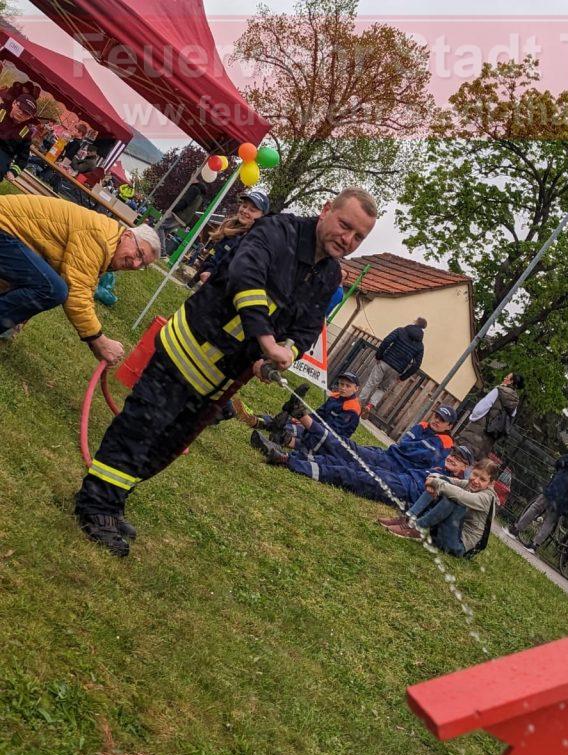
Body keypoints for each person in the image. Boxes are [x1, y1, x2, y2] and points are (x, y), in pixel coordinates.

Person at [73, 186, 378, 556]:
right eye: (345, 225)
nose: (347, 239)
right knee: (140, 430)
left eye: (358, 237)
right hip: (186, 351)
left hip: (220, 379)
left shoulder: (329, 277)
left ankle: (113, 498)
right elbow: (245, 278)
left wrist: (285, 353)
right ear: (326, 209)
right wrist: (267, 340)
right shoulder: (277, 231)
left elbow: (307, 328)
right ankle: (94, 506)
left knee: (166, 446)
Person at [0, 194, 159, 352]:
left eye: (142, 265)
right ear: (127, 235)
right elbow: (77, 292)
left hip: (8, 233)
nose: (135, 264)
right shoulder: (100, 237)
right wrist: (99, 341)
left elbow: (83, 286)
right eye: (139, 254)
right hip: (3, 226)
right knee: (53, 289)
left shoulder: (110, 240)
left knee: (47, 281)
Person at [257, 407, 458, 506]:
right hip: (388, 458)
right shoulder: (423, 426)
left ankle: (291, 444)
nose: (436, 420)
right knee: (343, 453)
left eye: (442, 420)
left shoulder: (444, 446)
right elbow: (404, 447)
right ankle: (286, 442)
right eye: (436, 416)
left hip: (394, 469)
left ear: (449, 426)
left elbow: (407, 452)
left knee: (347, 460)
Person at [506, 436, 568, 552]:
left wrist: (561, 467)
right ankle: (534, 545)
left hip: (559, 488)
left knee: (536, 507)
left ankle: (515, 530)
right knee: (551, 519)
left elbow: (562, 461)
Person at [385, 457, 499, 558]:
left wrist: (435, 482)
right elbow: (447, 479)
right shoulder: (469, 484)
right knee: (444, 485)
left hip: (458, 546)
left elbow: (461, 496)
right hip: (445, 533)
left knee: (454, 498)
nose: (476, 480)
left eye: (482, 479)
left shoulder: (487, 498)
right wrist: (434, 478)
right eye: (475, 474)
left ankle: (418, 528)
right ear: (471, 470)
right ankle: (408, 518)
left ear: (491, 484)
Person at [241, 370, 361, 453]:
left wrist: (307, 423)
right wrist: (305, 419)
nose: (343, 388)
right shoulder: (335, 397)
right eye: (341, 384)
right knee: (288, 421)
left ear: (356, 389)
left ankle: (275, 436)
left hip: (328, 440)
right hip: (317, 428)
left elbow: (333, 433)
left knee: (292, 429)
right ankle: (255, 419)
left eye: (347, 386)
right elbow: (319, 414)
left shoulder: (352, 409)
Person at [192, 187, 270, 285]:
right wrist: (205, 272)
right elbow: (215, 257)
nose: (245, 211)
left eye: (252, 210)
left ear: (262, 217)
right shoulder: (229, 226)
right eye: (244, 206)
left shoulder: (253, 242)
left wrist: (212, 273)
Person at [359, 317, 427, 418]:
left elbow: (387, 341)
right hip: (396, 370)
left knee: (371, 383)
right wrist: (403, 377)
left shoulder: (401, 331)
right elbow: (416, 365)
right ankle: (369, 406)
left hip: (385, 362)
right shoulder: (420, 346)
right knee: (382, 389)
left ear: (415, 323)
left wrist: (379, 356)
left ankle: (358, 404)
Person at [456, 372, 525, 458]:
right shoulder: (515, 403)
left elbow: (480, 409)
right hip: (491, 437)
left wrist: (472, 418)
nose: (504, 378)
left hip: (476, 431)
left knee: (458, 455)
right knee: (473, 460)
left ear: (511, 381)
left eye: (507, 377)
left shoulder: (499, 390)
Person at [156, 175, 208, 257]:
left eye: (193, 176)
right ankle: (156, 248)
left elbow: (185, 202)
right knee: (165, 231)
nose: (191, 177)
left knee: (160, 226)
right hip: (185, 219)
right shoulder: (200, 196)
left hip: (179, 214)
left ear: (196, 179)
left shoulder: (194, 189)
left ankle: (162, 251)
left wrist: (173, 209)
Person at [0, 93, 39, 184]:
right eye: (20, 108)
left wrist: (13, 172)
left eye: (26, 114)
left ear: (29, 117)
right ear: (14, 103)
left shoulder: (26, 133)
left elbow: (23, 158)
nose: (21, 113)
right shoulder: (1, 110)